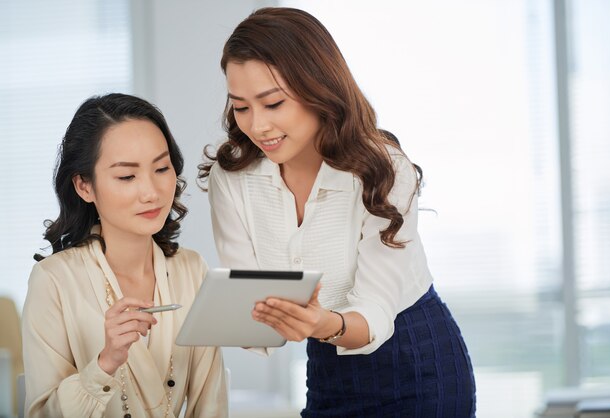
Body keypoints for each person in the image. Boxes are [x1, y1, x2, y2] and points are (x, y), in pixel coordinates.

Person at [198, 7, 476, 418]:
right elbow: (251, 312)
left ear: (317, 89)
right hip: (328, 366)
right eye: (241, 107)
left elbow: (376, 311)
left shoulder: (382, 169)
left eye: (273, 103)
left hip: (415, 360)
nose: (257, 126)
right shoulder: (233, 177)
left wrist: (319, 323)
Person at [22, 93, 228, 418]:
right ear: (84, 186)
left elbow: (211, 402)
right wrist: (106, 363)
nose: (151, 192)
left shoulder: (192, 269)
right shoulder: (54, 281)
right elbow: (41, 413)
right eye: (127, 176)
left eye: (161, 168)